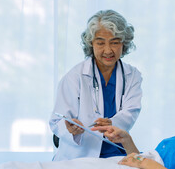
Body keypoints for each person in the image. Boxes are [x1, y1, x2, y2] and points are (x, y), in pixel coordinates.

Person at [49, 10, 143, 161]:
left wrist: (113, 123)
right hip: (79, 156)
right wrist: (70, 128)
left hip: (116, 153)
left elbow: (131, 111)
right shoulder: (75, 76)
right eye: (100, 43)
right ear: (91, 44)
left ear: (124, 43)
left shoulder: (132, 76)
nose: (108, 50)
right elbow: (56, 121)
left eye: (115, 42)